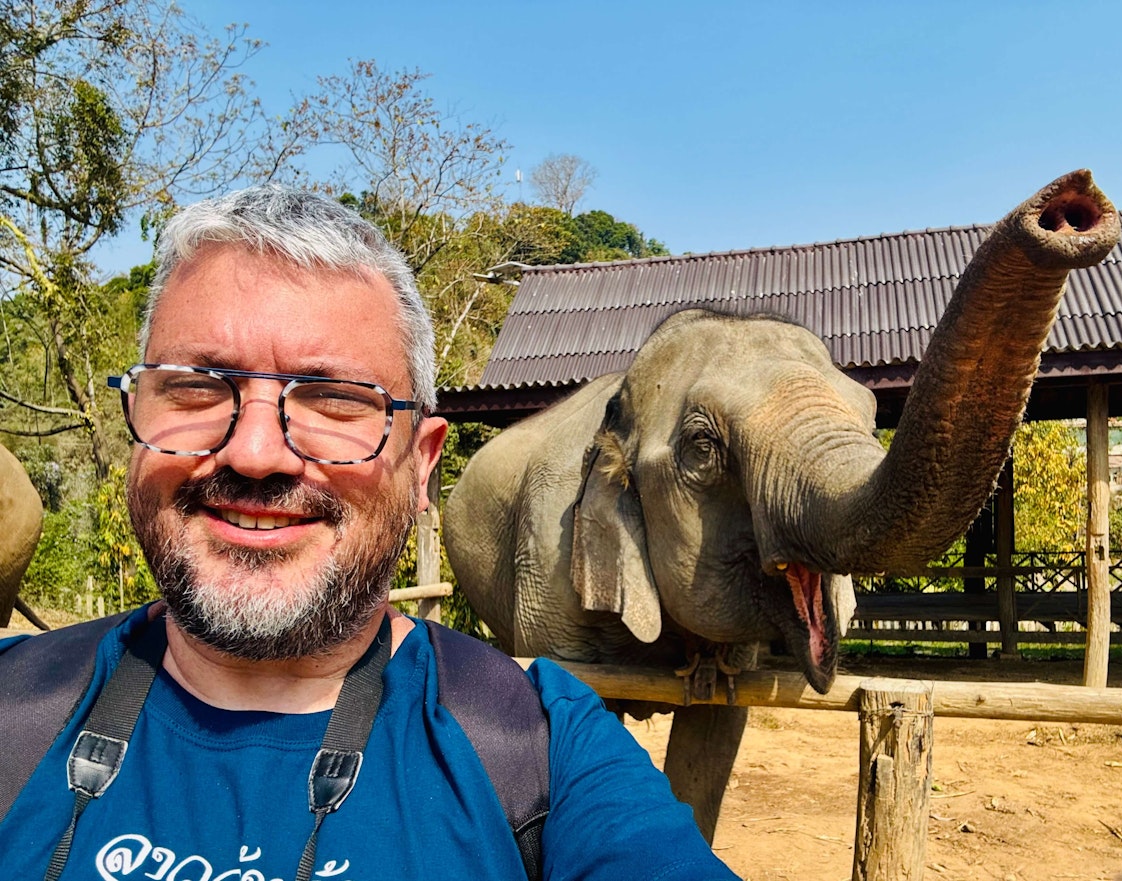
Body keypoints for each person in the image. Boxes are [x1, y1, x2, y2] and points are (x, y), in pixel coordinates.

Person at [0, 186, 738, 881]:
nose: (255, 453)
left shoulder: (542, 749)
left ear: (421, 466)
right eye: (195, 386)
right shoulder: (14, 706)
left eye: (333, 399)